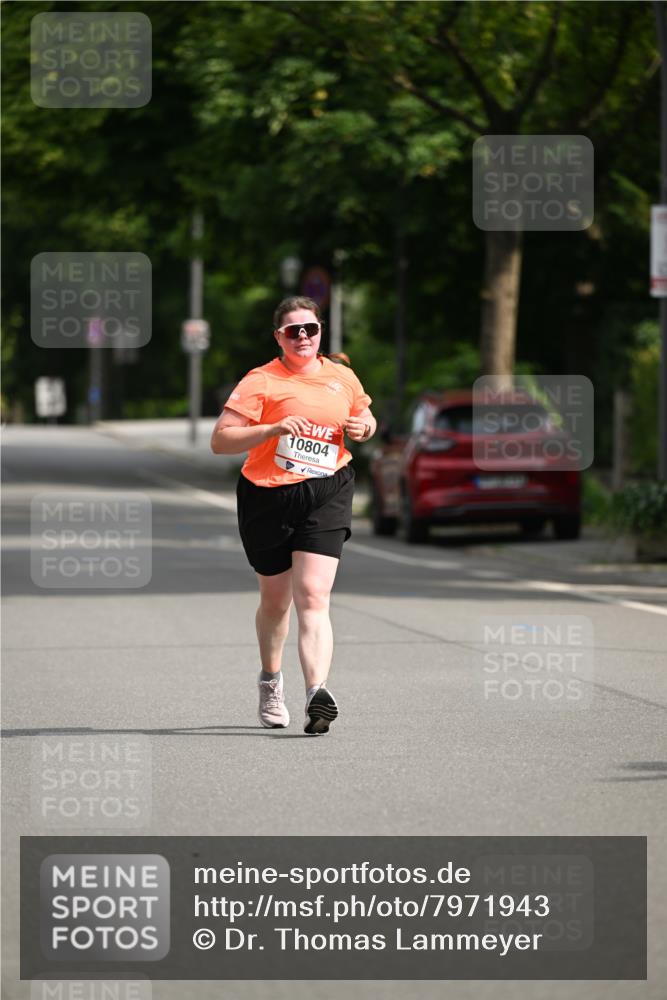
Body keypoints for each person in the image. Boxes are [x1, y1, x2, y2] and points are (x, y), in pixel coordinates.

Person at [211, 296, 376, 736]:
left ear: (321, 331)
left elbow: (363, 416)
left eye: (311, 329)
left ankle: (317, 693)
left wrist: (364, 427)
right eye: (293, 331)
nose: (303, 337)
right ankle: (270, 681)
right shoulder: (260, 381)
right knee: (276, 601)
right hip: (267, 496)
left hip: (327, 489)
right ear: (278, 337)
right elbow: (221, 441)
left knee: (313, 595)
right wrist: (271, 429)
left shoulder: (341, 376)